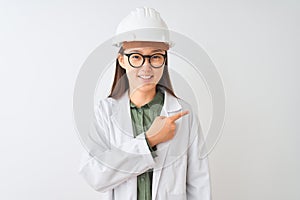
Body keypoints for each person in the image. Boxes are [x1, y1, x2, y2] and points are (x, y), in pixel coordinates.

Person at [78, 7, 211, 200]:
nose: (146, 67)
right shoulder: (106, 112)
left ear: (164, 60)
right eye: (137, 56)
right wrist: (149, 141)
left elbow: (199, 184)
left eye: (155, 56)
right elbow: (94, 175)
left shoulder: (183, 113)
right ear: (122, 60)